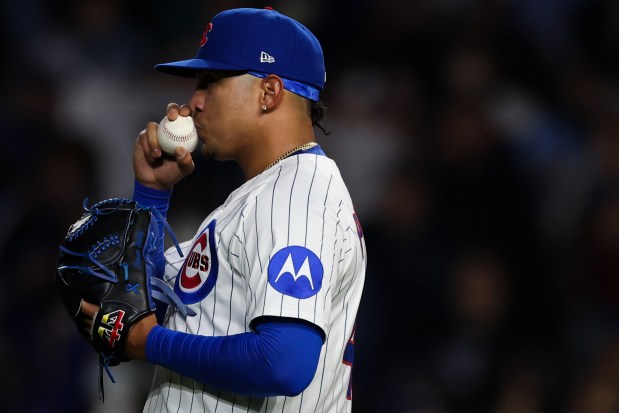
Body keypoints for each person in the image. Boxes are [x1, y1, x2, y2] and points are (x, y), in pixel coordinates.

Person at [80, 7, 366, 413]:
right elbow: (146, 301)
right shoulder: (260, 197)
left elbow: (283, 362)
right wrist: (152, 193)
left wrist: (151, 343)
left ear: (269, 92)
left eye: (211, 82)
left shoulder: (293, 198)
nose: (193, 102)